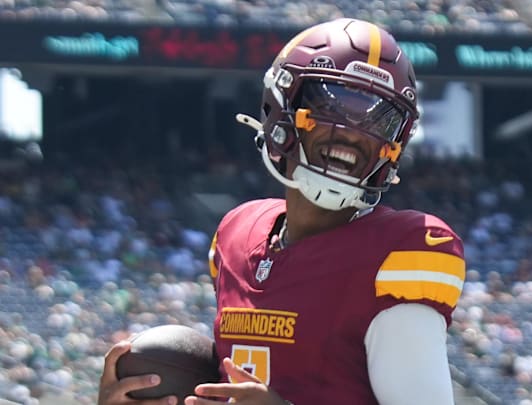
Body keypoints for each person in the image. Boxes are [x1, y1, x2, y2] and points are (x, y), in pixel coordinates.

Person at [98, 18, 465, 405]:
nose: (353, 132)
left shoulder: (402, 252)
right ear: (283, 106)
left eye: (381, 119)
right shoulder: (237, 234)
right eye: (331, 103)